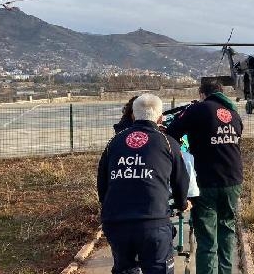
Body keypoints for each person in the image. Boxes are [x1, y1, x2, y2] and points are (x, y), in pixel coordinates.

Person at [97, 93, 190, 274]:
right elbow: (181, 181)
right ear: (161, 117)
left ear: (132, 115)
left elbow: (102, 185)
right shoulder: (168, 143)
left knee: (125, 269)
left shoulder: (114, 142)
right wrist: (181, 203)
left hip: (116, 222)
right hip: (153, 223)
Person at [166, 80, 243, 274]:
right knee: (227, 229)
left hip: (206, 182)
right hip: (233, 180)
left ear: (202, 94)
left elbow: (171, 134)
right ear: (221, 93)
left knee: (207, 238)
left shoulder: (197, 110)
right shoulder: (233, 112)